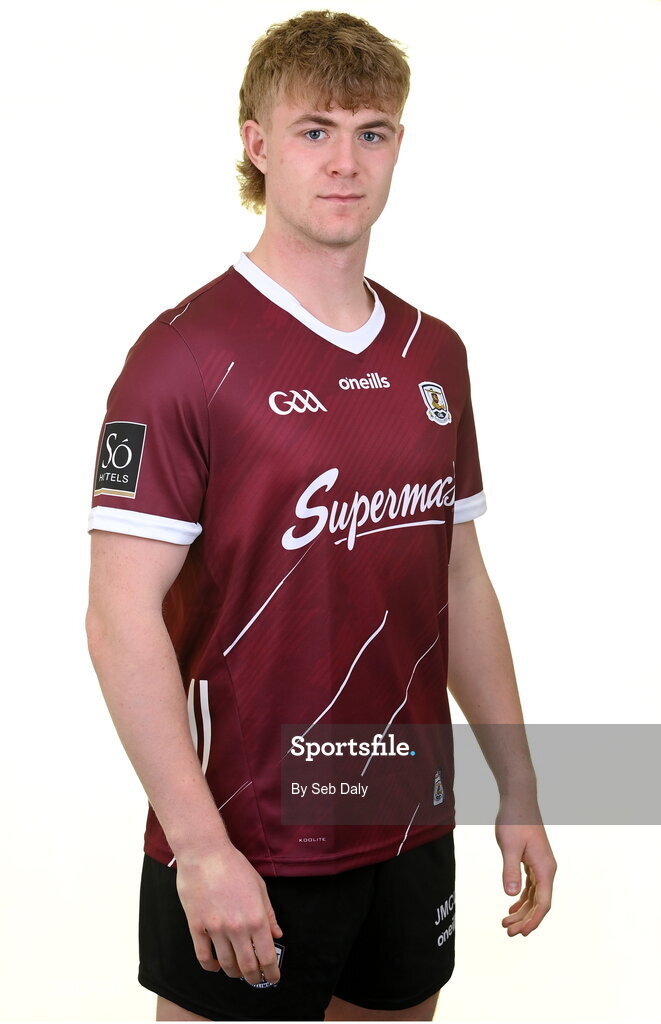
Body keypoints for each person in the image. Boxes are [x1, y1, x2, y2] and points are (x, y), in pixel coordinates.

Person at [85, 9, 557, 1022]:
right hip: (250, 827)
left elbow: (459, 580)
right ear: (257, 144)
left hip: (406, 812)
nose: (344, 162)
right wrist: (200, 844)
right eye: (314, 130)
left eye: (371, 132)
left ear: (397, 146)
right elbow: (117, 617)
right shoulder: (181, 355)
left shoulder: (436, 354)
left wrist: (518, 783)